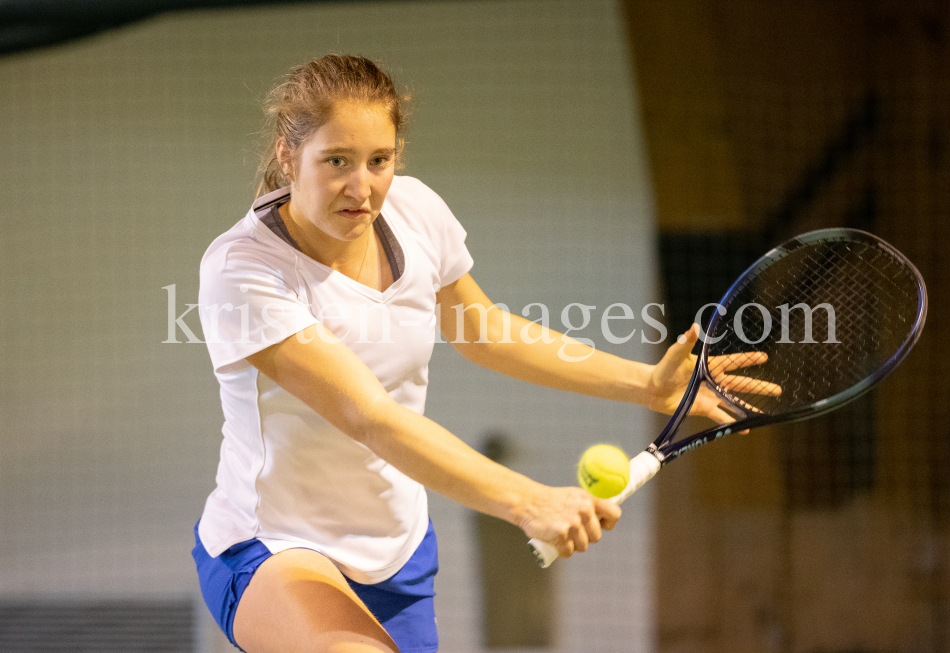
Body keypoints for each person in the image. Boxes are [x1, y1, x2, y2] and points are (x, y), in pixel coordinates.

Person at [191, 54, 762, 653]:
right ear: (288, 155)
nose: (362, 188)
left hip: (398, 552)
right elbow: (369, 416)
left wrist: (647, 385)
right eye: (336, 161)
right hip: (275, 544)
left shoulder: (414, 213)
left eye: (378, 161)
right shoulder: (243, 271)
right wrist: (528, 501)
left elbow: (485, 332)